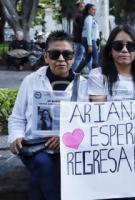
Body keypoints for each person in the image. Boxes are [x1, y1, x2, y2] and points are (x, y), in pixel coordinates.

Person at [8, 30, 88, 200]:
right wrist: (16, 137)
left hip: (70, 150)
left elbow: (89, 124)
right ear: (46, 57)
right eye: (54, 54)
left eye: (67, 54)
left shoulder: (84, 86)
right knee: (42, 162)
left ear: (73, 57)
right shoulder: (31, 80)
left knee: (40, 176)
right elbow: (17, 117)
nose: (61, 59)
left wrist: (65, 139)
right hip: (35, 148)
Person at [88, 24, 135, 102]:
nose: (124, 50)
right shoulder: (97, 75)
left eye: (131, 46)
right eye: (118, 45)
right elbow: (99, 109)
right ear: (110, 50)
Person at [75, 3, 99, 74]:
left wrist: (97, 42)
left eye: (95, 10)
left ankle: (76, 72)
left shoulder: (91, 18)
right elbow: (88, 32)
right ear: (88, 11)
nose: (94, 11)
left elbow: (95, 32)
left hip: (91, 40)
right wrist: (90, 45)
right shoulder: (89, 18)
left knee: (87, 59)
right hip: (89, 40)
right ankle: (96, 75)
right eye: (93, 9)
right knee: (95, 58)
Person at [72, 1, 85, 71]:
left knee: (79, 57)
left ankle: (75, 71)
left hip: (78, 39)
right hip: (79, 40)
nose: (83, 8)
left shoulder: (77, 15)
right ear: (77, 8)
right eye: (81, 6)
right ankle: (74, 72)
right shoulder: (79, 16)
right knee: (78, 57)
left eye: (84, 6)